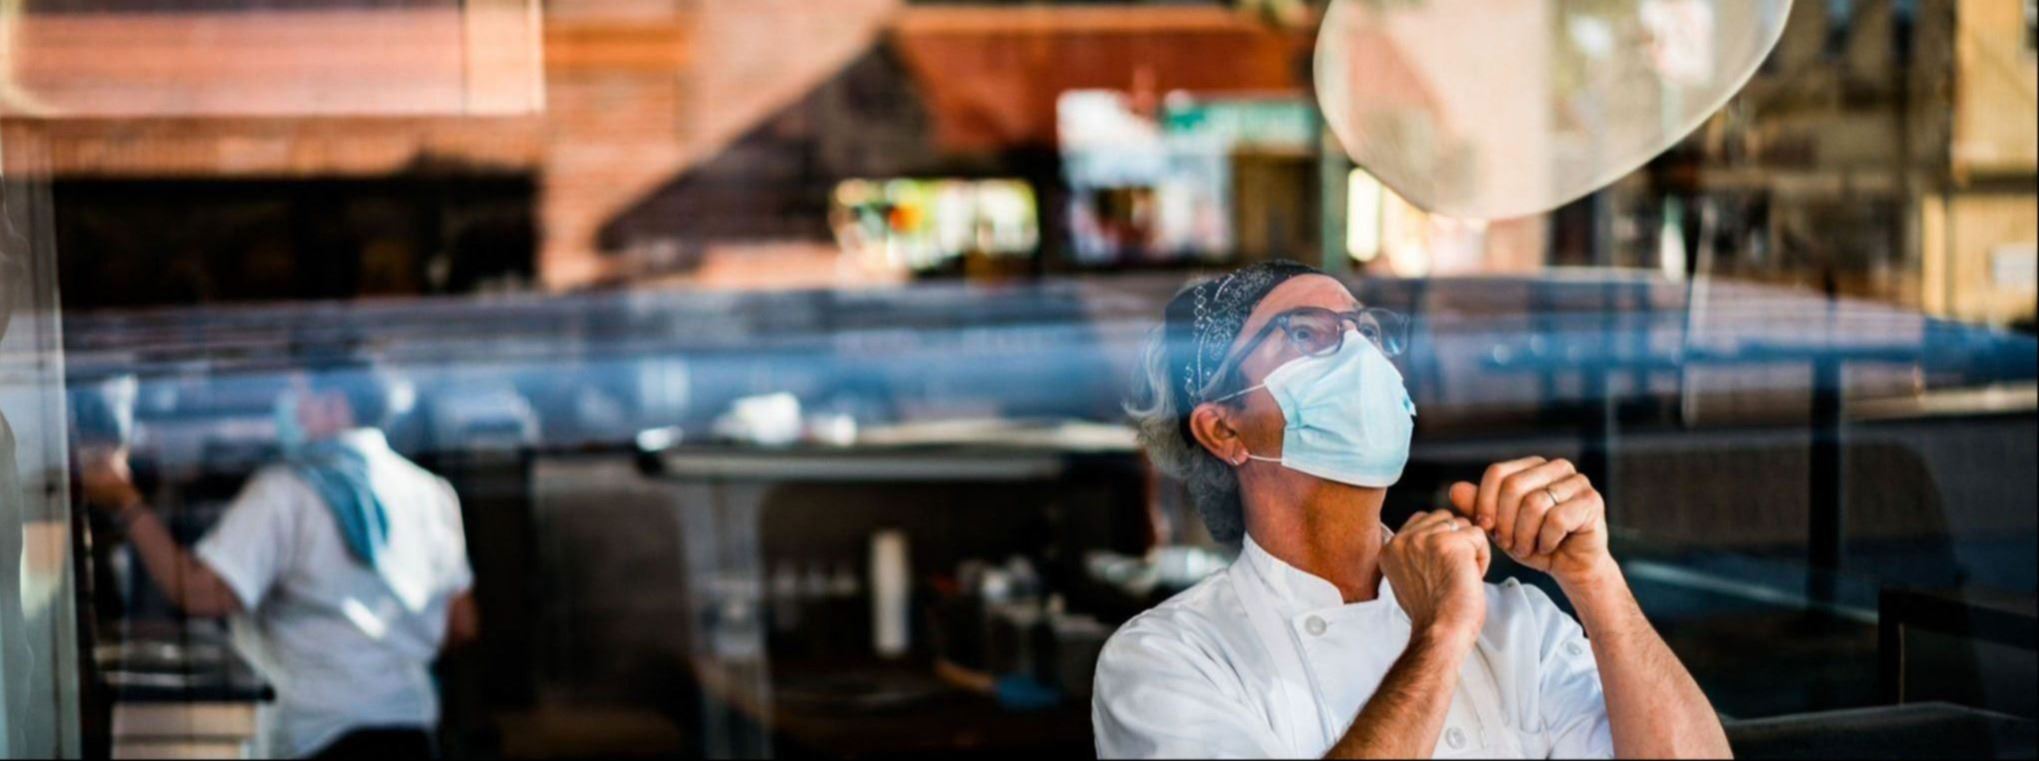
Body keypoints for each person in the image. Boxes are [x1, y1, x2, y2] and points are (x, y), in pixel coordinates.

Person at [1095, 261, 1729, 759]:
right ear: (1223, 430)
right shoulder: (1170, 659)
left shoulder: (1517, 627)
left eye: (1367, 333)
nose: (1361, 357)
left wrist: (1598, 584)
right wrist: (1441, 635)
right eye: (1309, 334)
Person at [81, 358, 478, 759]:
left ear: (335, 406)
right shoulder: (431, 493)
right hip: (414, 731)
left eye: (298, 395)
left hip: (324, 736)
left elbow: (202, 592)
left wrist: (126, 502)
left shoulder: (286, 491)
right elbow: (460, 623)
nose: (285, 408)